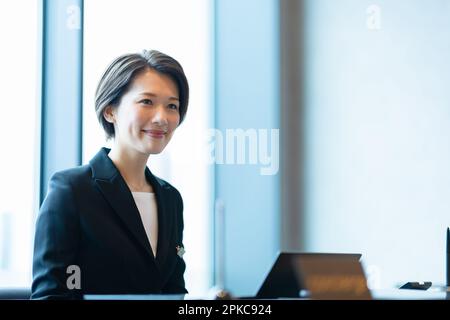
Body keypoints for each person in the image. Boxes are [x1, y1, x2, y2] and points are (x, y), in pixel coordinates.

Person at [31, 50, 189, 299]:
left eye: (172, 106)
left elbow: (174, 291)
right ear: (110, 111)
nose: (162, 118)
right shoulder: (71, 190)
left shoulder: (171, 198)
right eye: (147, 101)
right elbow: (51, 294)